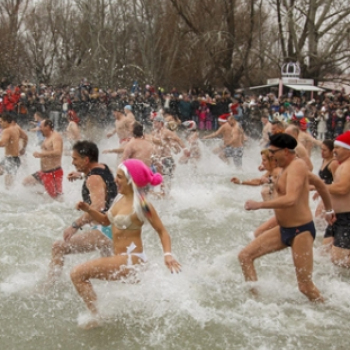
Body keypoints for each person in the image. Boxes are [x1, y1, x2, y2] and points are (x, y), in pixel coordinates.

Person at [70, 159, 181, 328]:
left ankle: (96, 317)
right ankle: (100, 315)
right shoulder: (119, 199)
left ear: (131, 180)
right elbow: (106, 221)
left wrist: (167, 255)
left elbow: (162, 231)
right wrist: (88, 209)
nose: (115, 180)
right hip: (121, 259)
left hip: (132, 260)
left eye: (120, 177)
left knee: (77, 274)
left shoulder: (142, 204)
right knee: (79, 276)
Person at [238, 133, 335, 302]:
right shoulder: (282, 168)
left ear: (285, 151)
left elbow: (291, 199)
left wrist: (259, 205)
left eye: (273, 151)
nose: (271, 154)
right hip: (283, 229)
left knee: (305, 287)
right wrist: (328, 209)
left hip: (301, 231)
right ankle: (255, 302)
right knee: (245, 256)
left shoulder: (297, 166)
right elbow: (319, 184)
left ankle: (329, 308)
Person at [46, 141, 118, 285]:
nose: (72, 162)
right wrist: (81, 174)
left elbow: (98, 206)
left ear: (86, 160)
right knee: (112, 270)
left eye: (75, 159)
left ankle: (48, 287)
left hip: (104, 230)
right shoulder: (104, 168)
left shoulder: (93, 178)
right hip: (114, 229)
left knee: (58, 247)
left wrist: (75, 225)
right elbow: (101, 182)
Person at [324, 131, 350, 267]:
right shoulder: (342, 164)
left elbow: (343, 189)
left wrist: (321, 187)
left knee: (339, 261)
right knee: (322, 253)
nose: (334, 150)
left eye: (338, 147)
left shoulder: (348, 165)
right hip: (337, 217)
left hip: (347, 218)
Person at [22, 119, 64, 199]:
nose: (38, 129)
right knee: (26, 182)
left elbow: (58, 152)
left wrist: (41, 154)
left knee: (56, 199)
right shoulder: (47, 137)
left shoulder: (56, 137)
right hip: (43, 173)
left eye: (40, 127)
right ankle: (44, 195)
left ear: (47, 127)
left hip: (53, 173)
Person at [313, 140, 338, 239]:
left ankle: (328, 237)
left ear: (332, 151)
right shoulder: (325, 160)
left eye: (325, 150)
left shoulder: (333, 163)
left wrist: (321, 190)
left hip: (331, 194)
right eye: (321, 149)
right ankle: (322, 236)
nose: (322, 152)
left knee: (320, 216)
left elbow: (337, 182)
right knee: (319, 217)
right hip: (324, 192)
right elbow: (323, 179)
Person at [0, 113, 28, 188]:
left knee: (8, 184)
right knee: (9, 185)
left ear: (6, 121)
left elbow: (2, 143)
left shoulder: (7, 130)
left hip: (9, 159)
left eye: (1, 121)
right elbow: (25, 137)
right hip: (16, 160)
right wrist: (23, 149)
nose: (0, 123)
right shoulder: (16, 128)